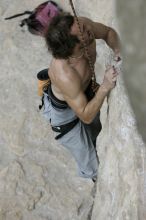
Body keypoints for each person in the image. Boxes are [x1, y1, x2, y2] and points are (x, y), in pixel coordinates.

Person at [40, 12, 120, 182]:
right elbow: (85, 115)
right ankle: (96, 181)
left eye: (82, 27)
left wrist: (118, 50)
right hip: (65, 117)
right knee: (90, 160)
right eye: (81, 35)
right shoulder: (65, 73)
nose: (88, 32)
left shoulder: (80, 26)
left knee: (96, 134)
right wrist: (105, 86)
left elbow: (108, 32)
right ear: (72, 50)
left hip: (82, 93)